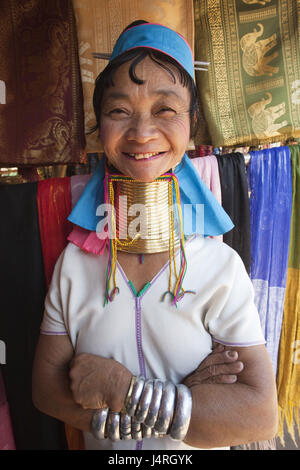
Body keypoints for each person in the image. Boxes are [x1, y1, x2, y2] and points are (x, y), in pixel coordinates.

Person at [32, 21, 278, 451]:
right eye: (119, 111)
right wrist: (183, 397)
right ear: (99, 124)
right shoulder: (74, 266)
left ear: (193, 121)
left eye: (166, 110)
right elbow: (46, 392)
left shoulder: (218, 268)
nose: (142, 133)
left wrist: (123, 390)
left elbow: (257, 415)